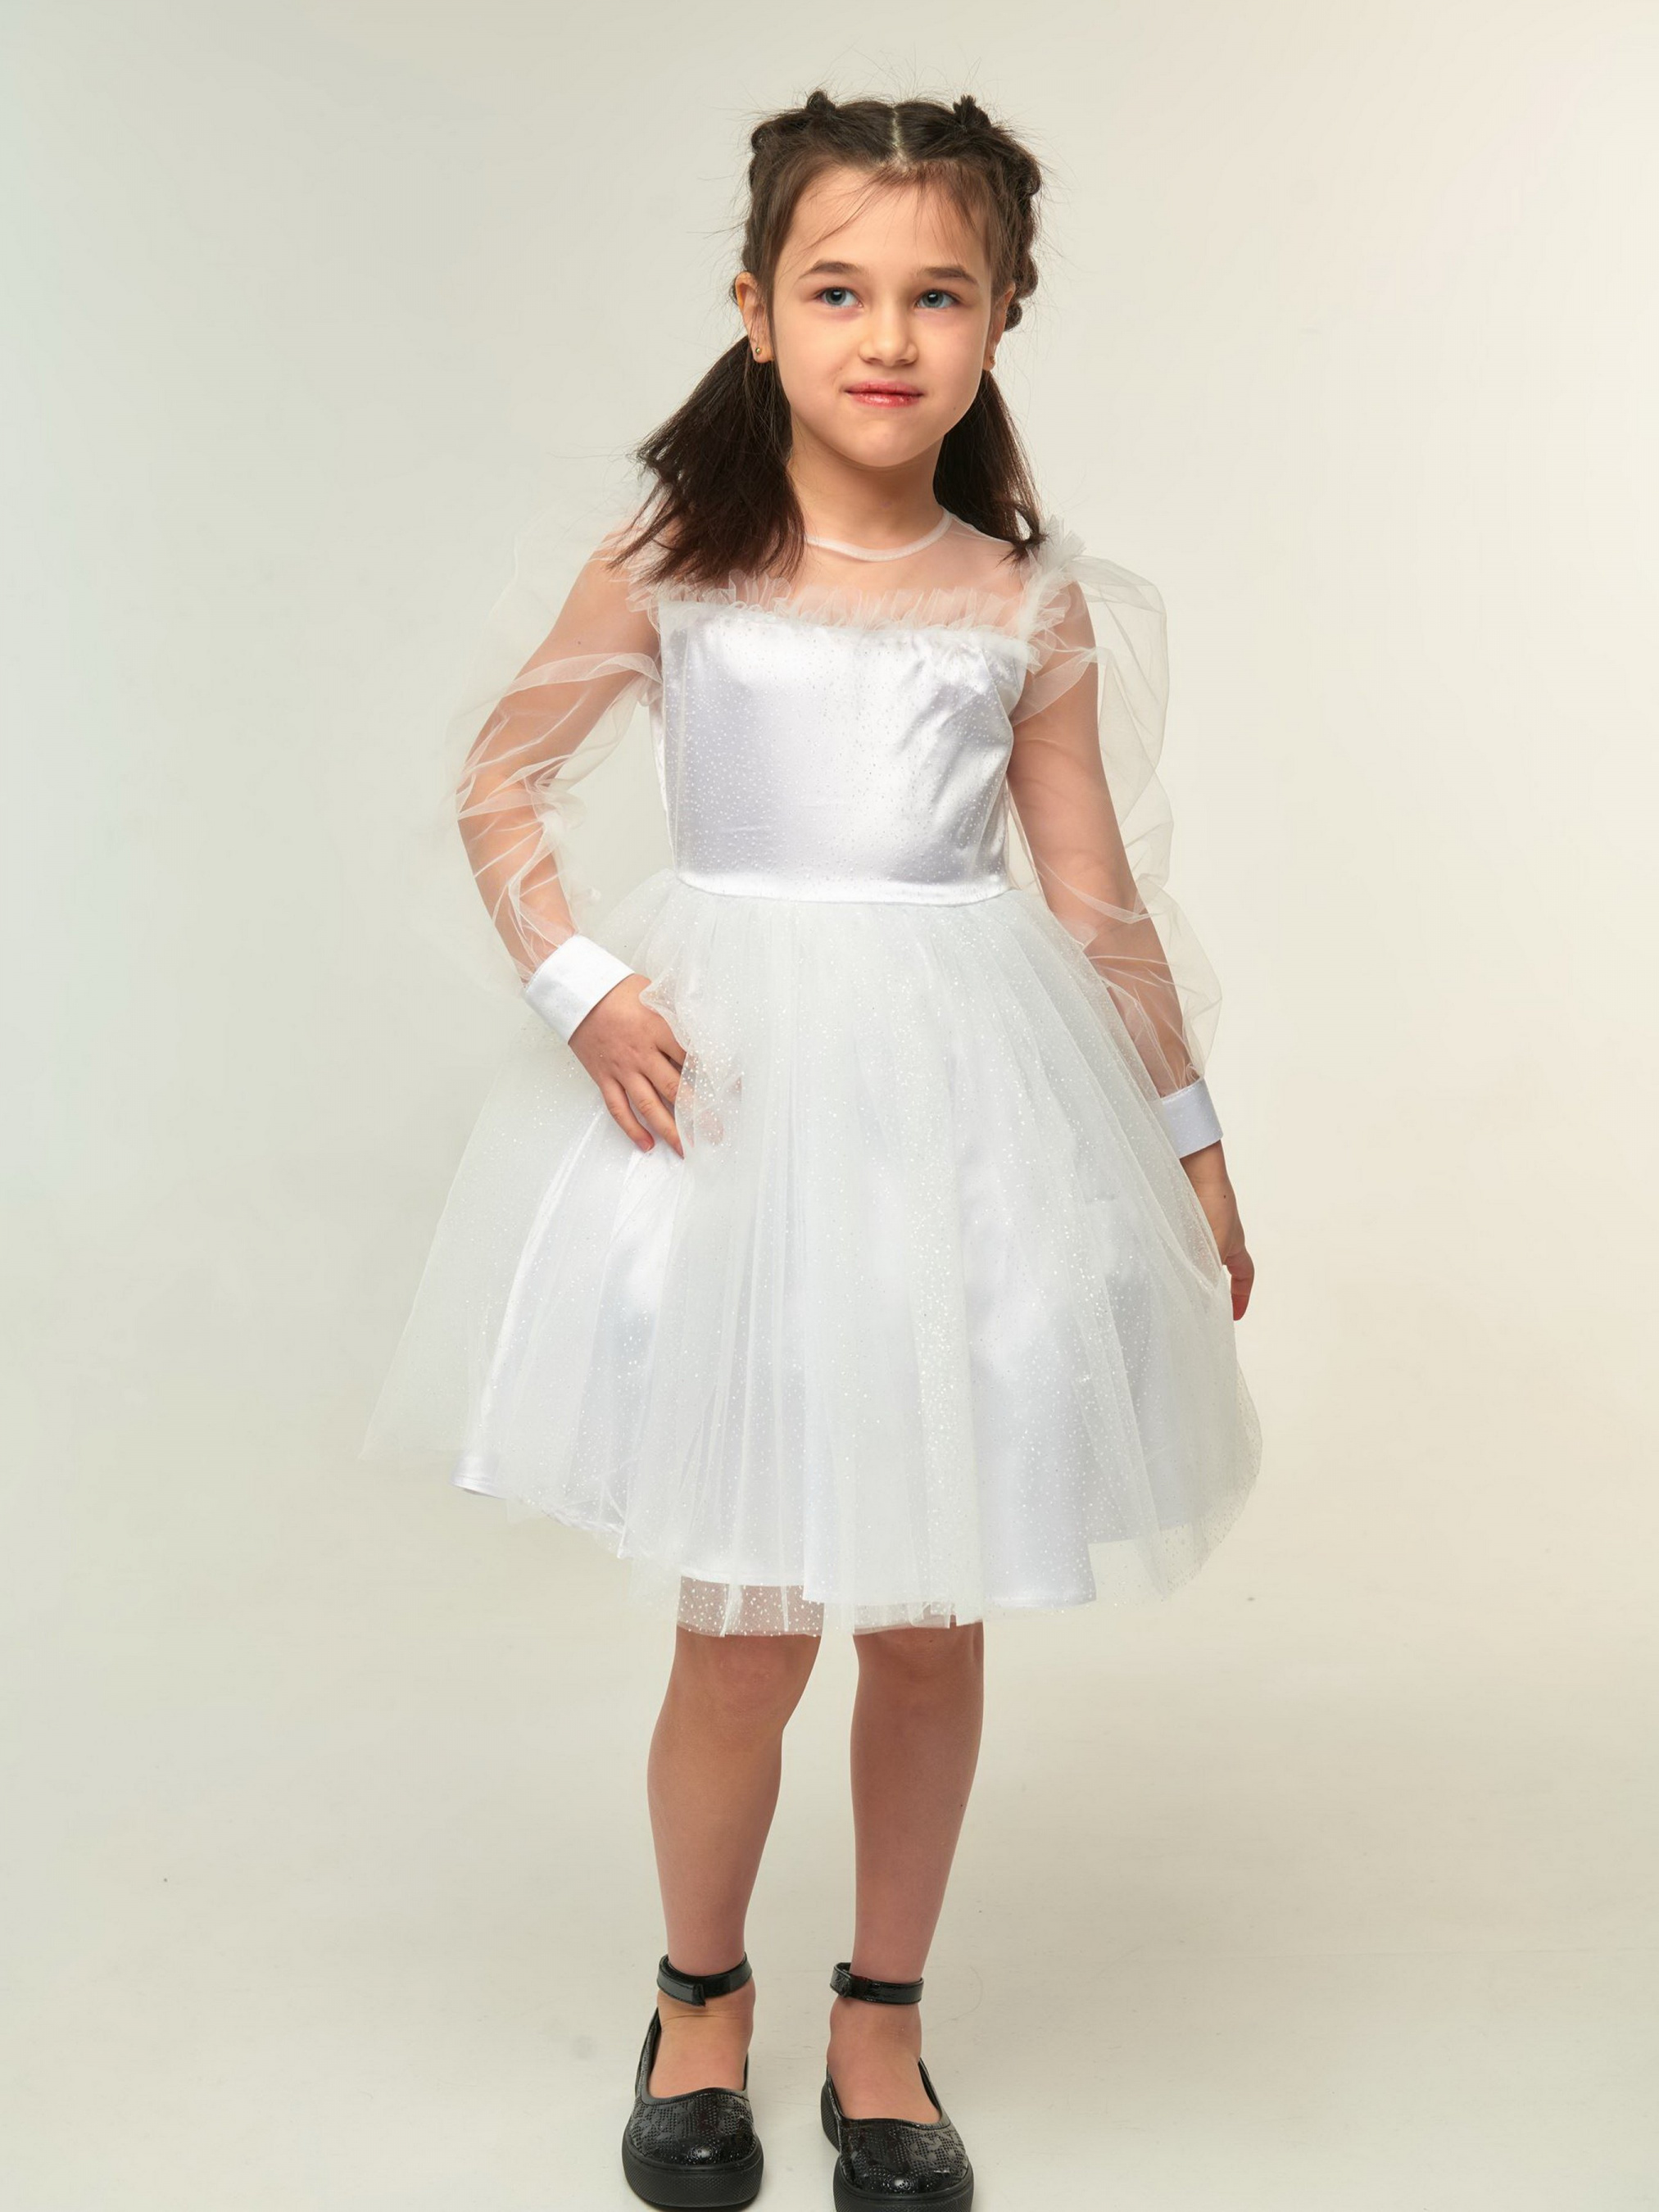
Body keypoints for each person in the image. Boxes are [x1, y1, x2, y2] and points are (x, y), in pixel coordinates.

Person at [365, 87, 1261, 2212]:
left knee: (929, 1614)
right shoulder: (677, 562)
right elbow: (501, 782)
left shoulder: (1023, 606)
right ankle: (699, 1995)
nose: (888, 334)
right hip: (746, 1126)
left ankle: (882, 2012)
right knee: (748, 1614)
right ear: (754, 311)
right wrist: (585, 988)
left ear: (1003, 316)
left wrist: (1190, 1144)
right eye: (838, 290)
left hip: (961, 1132)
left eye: (938, 294)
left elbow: (1097, 907)